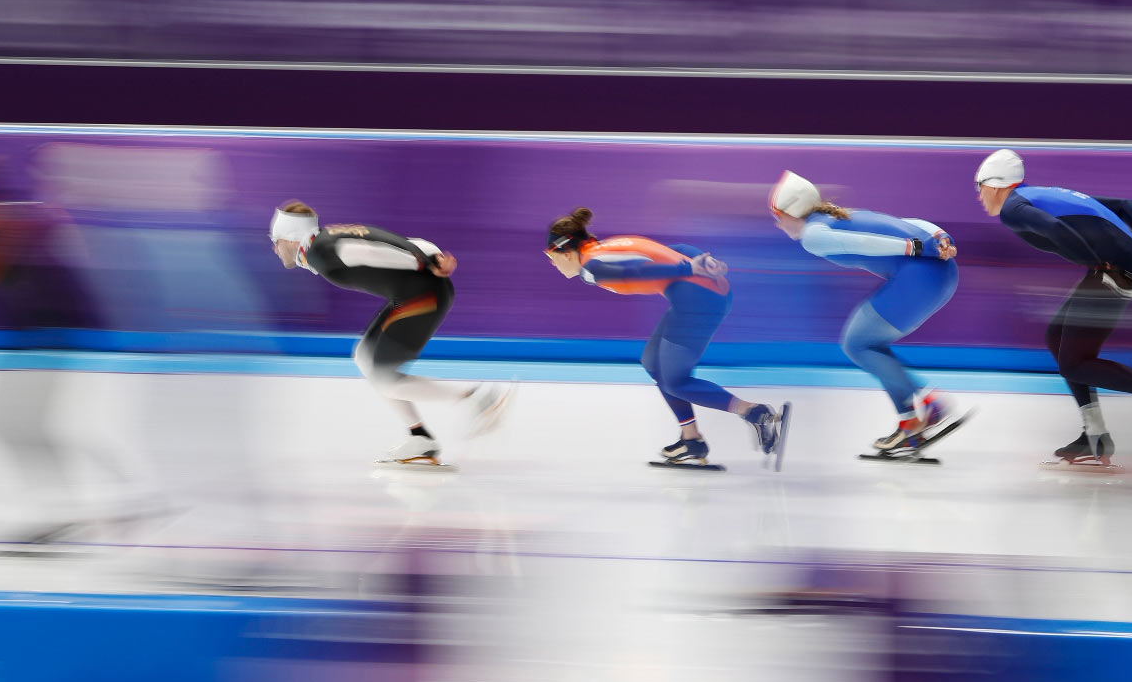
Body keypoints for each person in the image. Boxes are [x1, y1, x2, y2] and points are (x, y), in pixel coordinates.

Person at [973, 149, 1132, 465]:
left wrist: (1097, 262)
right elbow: (1125, 205)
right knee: (1057, 336)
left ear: (993, 185)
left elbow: (1056, 230)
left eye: (978, 187)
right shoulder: (1041, 194)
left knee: (1074, 363)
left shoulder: (1013, 207)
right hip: (1124, 264)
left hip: (1116, 270)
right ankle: (1095, 434)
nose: (979, 197)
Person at [269, 201, 509, 466]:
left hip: (424, 296)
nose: (274, 248)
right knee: (364, 356)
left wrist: (423, 262)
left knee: (384, 378)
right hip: (412, 295)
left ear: (290, 238)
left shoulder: (321, 251)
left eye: (275, 241)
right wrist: (431, 255)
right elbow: (397, 241)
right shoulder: (326, 239)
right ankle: (419, 437)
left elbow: (370, 251)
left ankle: (478, 401)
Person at [544, 207, 786, 469]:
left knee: (675, 382)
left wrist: (688, 268)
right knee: (653, 363)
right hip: (695, 296)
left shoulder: (591, 267)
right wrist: (703, 262)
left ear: (564, 252)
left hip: (699, 301)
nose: (553, 264)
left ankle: (754, 412)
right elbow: (671, 248)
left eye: (551, 257)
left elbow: (635, 272)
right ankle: (691, 439)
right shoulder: (606, 247)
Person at [769, 171, 964, 456]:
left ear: (792, 210)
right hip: (944, 274)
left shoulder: (813, 234)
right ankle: (909, 423)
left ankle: (930, 402)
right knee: (870, 345)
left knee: (857, 343)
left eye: (777, 215)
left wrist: (916, 247)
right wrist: (940, 237)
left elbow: (863, 243)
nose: (778, 223)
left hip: (920, 275)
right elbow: (908, 223)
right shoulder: (840, 215)